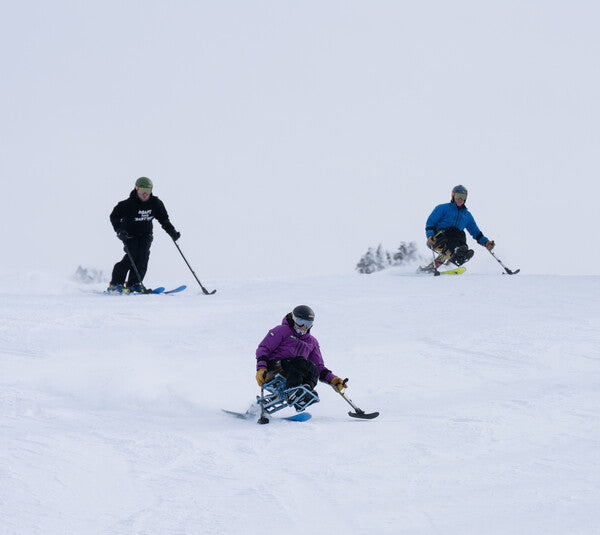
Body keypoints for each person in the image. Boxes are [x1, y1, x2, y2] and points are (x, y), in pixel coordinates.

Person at [255, 305, 347, 407]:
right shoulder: (281, 331)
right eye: (300, 321)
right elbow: (264, 348)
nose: (303, 327)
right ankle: (293, 392)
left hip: (294, 374)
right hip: (274, 370)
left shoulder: (312, 342)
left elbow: (319, 367)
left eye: (308, 324)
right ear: (293, 318)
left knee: (313, 368)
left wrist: (333, 379)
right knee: (300, 361)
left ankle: (303, 394)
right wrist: (261, 368)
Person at [107, 177, 181, 293]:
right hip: (129, 234)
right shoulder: (127, 204)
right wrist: (119, 230)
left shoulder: (155, 203)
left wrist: (172, 232)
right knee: (133, 254)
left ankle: (134, 284)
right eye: (142, 191)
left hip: (146, 234)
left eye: (148, 191)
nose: (145, 194)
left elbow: (164, 220)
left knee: (143, 256)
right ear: (136, 189)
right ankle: (116, 284)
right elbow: (114, 216)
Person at [424, 185, 495, 270]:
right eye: (458, 196)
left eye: (463, 196)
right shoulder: (442, 208)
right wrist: (430, 236)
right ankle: (457, 253)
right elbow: (430, 222)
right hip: (437, 239)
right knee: (454, 232)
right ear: (453, 196)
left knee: (460, 237)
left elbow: (476, 232)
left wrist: (486, 242)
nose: (460, 199)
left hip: (453, 242)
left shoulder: (467, 215)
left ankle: (456, 258)